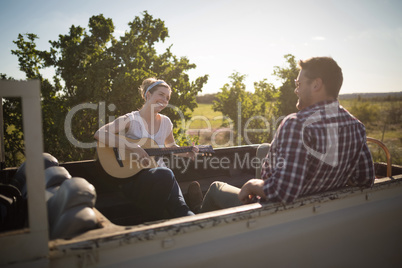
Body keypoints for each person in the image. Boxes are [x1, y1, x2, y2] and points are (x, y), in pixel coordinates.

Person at [199, 57, 375, 212]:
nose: (296, 90)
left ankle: (194, 213)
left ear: (316, 84)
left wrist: (251, 185)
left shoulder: (296, 124)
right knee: (264, 149)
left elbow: (283, 191)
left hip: (272, 213)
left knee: (216, 187)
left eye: (299, 84)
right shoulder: (356, 126)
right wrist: (326, 179)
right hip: (317, 212)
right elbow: (365, 178)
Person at [94, 78, 198, 220]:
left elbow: (170, 146)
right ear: (148, 95)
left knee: (184, 210)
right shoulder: (131, 119)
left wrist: (186, 153)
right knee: (166, 174)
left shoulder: (166, 122)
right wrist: (133, 147)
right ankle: (154, 220)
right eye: (161, 94)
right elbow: (99, 133)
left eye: (167, 98)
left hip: (162, 175)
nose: (164, 100)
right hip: (133, 177)